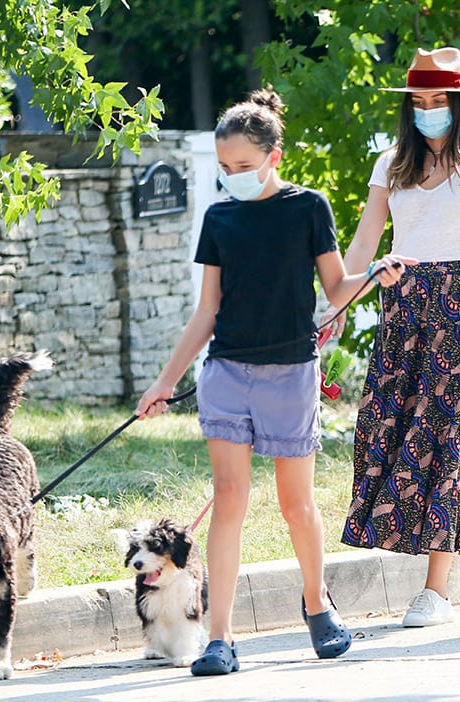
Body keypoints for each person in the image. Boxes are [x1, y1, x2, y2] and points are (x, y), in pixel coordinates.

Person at [136, 89, 414, 675]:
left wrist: (377, 274)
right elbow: (206, 310)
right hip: (228, 374)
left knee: (296, 505)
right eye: (225, 167)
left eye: (243, 165)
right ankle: (220, 636)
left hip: (292, 374)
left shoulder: (308, 209)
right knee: (229, 502)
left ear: (273, 157)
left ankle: (318, 606)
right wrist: (165, 382)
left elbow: (337, 289)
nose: (233, 176)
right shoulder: (220, 218)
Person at [322, 47, 460, 628]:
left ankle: (437, 588)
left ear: (458, 102)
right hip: (403, 308)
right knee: (385, 426)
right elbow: (362, 243)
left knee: (447, 438)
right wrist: (338, 302)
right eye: (419, 102)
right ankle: (446, 557)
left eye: (439, 100)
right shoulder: (391, 164)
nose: (429, 111)